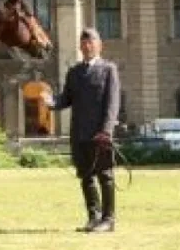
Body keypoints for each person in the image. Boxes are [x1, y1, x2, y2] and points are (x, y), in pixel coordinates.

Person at [41, 27, 121, 233]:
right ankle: (93, 218)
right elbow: (65, 99)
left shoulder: (108, 69)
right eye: (84, 43)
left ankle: (108, 219)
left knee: (105, 175)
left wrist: (106, 131)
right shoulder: (74, 73)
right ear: (80, 46)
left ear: (99, 45)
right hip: (79, 134)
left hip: (100, 134)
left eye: (91, 42)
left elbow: (112, 104)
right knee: (86, 177)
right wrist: (50, 102)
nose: (87, 46)